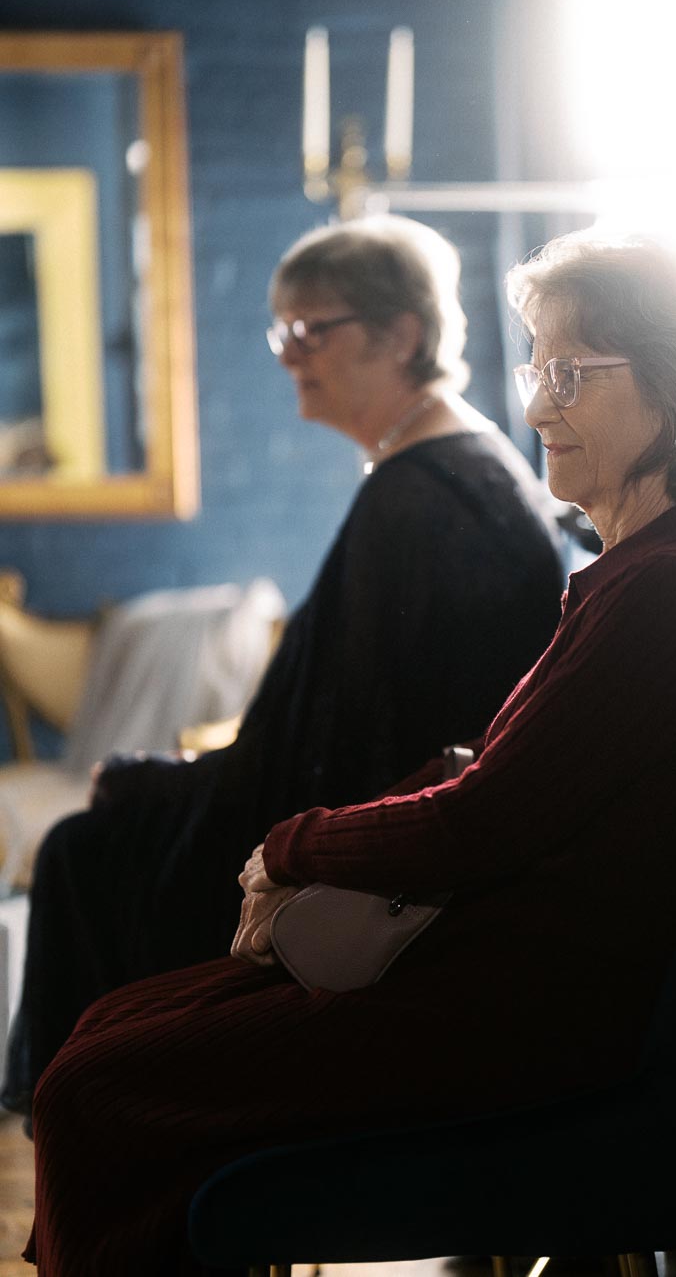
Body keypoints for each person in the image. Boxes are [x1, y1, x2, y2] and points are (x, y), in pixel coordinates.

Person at [25, 232, 676, 1276]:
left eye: (570, 373)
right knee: (111, 1028)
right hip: (496, 970)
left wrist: (293, 845)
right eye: (536, 371)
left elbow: (486, 822)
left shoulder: (669, 590)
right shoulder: (635, 574)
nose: (542, 406)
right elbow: (496, 783)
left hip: (524, 1013)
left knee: (98, 1084)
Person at [1, 214, 563, 1126]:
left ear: (403, 335)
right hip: (406, 837)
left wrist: (152, 787)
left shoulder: (418, 500)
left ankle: (118, 1157)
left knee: (82, 854)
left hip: (398, 883)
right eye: (281, 331)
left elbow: (332, 762)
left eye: (312, 330)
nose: (288, 354)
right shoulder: (444, 470)